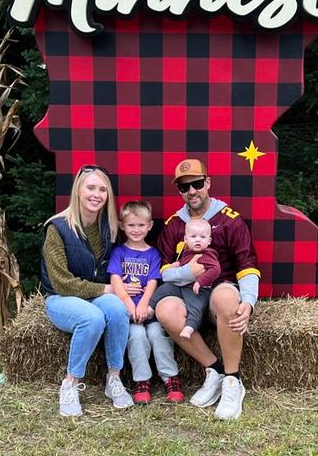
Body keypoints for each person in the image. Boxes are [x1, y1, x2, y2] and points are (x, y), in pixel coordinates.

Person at [154, 158, 260, 420]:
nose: (192, 191)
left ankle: (233, 381)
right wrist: (188, 273)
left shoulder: (230, 220)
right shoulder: (173, 225)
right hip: (185, 294)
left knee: (226, 296)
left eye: (197, 184)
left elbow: (247, 266)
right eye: (184, 187)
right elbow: (164, 271)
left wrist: (248, 302)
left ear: (208, 183)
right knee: (165, 309)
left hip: (216, 296)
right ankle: (214, 370)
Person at [39, 164, 135, 416]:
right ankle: (70, 384)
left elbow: (113, 269)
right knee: (91, 318)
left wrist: (125, 286)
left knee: (116, 308)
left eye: (102, 189)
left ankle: (113, 379)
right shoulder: (57, 227)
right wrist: (106, 288)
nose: (96, 194)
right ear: (78, 191)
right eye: (90, 187)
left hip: (95, 295)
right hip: (62, 298)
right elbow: (61, 282)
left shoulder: (108, 227)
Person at [105, 200, 185, 404]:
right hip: (128, 311)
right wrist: (129, 305)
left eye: (141, 225)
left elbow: (152, 282)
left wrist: (143, 305)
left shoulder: (153, 253)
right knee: (137, 336)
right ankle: (142, 381)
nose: (136, 230)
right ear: (122, 225)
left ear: (149, 226)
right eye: (131, 225)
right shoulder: (119, 252)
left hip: (148, 310)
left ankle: (170, 377)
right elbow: (115, 278)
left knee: (158, 334)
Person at [150, 218, 221, 340]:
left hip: (199, 289)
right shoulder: (187, 252)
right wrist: (177, 264)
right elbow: (184, 264)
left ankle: (190, 327)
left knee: (195, 307)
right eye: (193, 236)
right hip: (182, 286)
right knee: (164, 289)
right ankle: (150, 308)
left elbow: (216, 270)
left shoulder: (208, 254)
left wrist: (200, 282)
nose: (198, 239)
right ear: (185, 239)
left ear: (209, 241)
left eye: (203, 237)